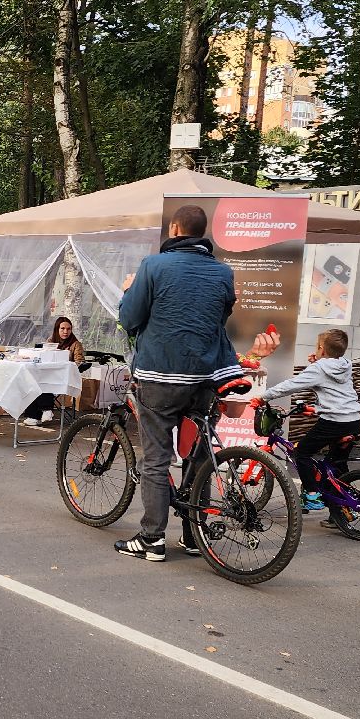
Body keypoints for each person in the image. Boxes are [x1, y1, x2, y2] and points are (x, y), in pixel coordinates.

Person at [112, 204, 243, 562]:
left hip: (159, 376)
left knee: (156, 459)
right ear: (202, 232)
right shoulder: (223, 272)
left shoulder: (153, 266)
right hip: (205, 378)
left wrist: (128, 291)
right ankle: (193, 535)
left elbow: (130, 318)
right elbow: (221, 317)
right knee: (198, 457)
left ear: (174, 229)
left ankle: (152, 539)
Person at [256, 328, 360, 514]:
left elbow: (291, 385)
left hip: (334, 422)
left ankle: (312, 496)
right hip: (353, 421)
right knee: (336, 464)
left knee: (301, 453)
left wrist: (263, 397)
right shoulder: (345, 365)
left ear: (321, 348)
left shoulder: (319, 369)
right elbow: (337, 393)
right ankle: (341, 513)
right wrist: (316, 408)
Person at [21, 316, 86, 425]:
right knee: (35, 382)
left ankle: (46, 409)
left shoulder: (76, 344)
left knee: (46, 382)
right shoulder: (50, 341)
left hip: (64, 376)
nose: (65, 331)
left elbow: (79, 362)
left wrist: (66, 365)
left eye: (68, 329)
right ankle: (35, 415)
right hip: (49, 374)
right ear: (57, 329)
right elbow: (44, 357)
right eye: (62, 328)